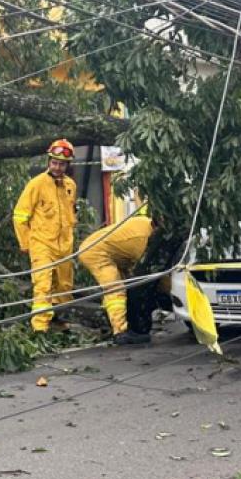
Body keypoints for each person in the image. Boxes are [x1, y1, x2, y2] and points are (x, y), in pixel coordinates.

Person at [13, 139, 77, 333]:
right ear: (48, 161)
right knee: (43, 286)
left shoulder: (70, 185)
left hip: (64, 244)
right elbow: (19, 216)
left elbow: (71, 214)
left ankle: (58, 320)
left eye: (62, 163)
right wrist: (26, 244)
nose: (57, 167)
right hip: (41, 243)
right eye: (54, 162)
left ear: (68, 164)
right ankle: (39, 329)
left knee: (65, 286)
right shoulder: (36, 184)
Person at [77, 207, 155, 345]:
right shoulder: (142, 239)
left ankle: (111, 321)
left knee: (125, 287)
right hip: (95, 252)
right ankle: (120, 332)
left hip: (113, 254)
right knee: (115, 290)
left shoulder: (145, 224)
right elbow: (144, 269)